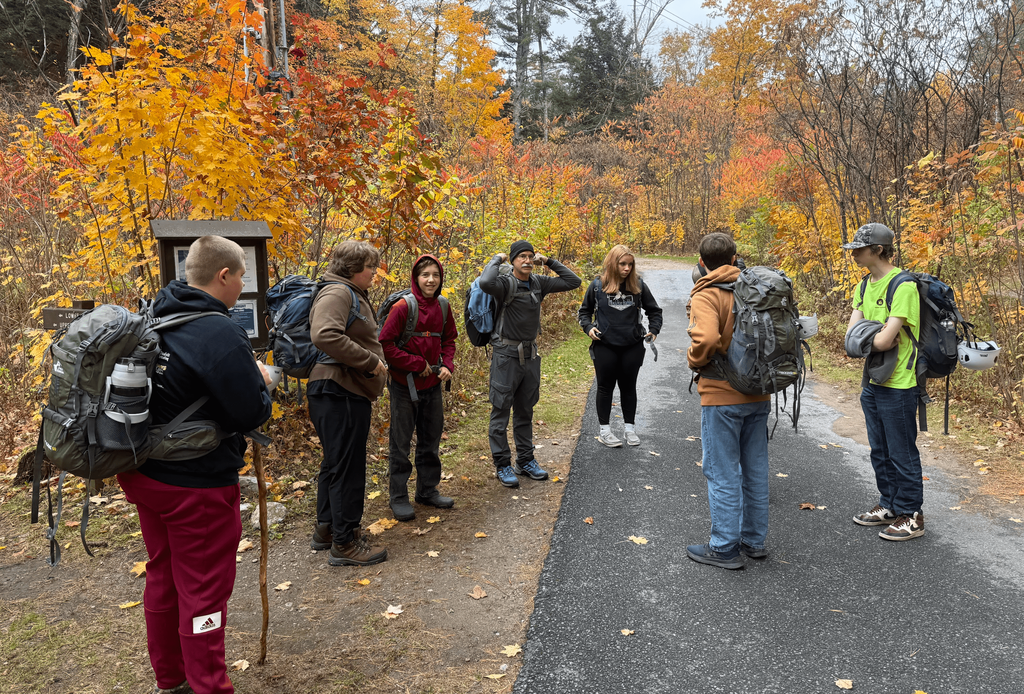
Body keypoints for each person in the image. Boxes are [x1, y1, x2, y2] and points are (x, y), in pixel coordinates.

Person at [117, 235, 273, 694]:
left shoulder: (155, 314)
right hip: (196, 486)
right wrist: (263, 381)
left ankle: (173, 679)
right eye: (242, 275)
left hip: (145, 473)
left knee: (163, 573)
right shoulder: (219, 330)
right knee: (204, 592)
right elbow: (250, 413)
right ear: (223, 276)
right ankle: (209, 686)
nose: (243, 284)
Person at [685, 232, 771, 570]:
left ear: (702, 262)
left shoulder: (708, 293)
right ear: (735, 259)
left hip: (721, 394)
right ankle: (754, 540)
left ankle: (723, 547)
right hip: (758, 392)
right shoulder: (755, 288)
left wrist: (694, 360)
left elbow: (705, 339)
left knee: (721, 472)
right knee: (755, 468)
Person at [307, 240, 390, 565]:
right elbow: (325, 334)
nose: (374, 273)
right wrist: (370, 362)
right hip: (339, 390)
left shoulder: (344, 292)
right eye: (370, 267)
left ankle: (327, 529)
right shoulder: (339, 292)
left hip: (338, 390)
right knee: (348, 467)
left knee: (336, 462)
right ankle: (345, 542)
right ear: (353, 268)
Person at [844, 223, 924, 541]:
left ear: (878, 250)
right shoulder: (863, 286)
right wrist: (873, 336)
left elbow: (884, 340)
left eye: (859, 248)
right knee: (879, 448)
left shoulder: (903, 286)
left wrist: (871, 335)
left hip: (900, 383)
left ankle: (912, 514)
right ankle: (889, 505)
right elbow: (853, 339)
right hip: (874, 380)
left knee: (901, 451)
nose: (854, 253)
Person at [480, 240, 581, 487]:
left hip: (530, 356)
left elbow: (573, 281)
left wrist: (548, 261)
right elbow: (485, 282)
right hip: (505, 357)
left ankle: (525, 461)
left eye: (529, 256)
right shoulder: (504, 284)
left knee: (525, 410)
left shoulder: (538, 282)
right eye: (521, 257)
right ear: (513, 260)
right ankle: (503, 465)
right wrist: (497, 258)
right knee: (501, 411)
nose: (526, 260)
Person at [379, 254, 458, 521]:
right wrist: (415, 363)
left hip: (432, 384)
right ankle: (398, 496)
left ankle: (427, 490)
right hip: (404, 386)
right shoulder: (402, 308)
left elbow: (449, 340)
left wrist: (447, 364)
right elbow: (386, 345)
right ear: (416, 278)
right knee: (400, 443)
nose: (431, 280)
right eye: (425, 275)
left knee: (431, 439)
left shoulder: (444, 307)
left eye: (435, 275)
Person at [578, 244, 663, 447]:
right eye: (622, 264)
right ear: (612, 263)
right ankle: (605, 431)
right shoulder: (597, 286)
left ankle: (629, 429)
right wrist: (589, 327)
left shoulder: (638, 286)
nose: (627, 268)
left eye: (630, 264)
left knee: (628, 388)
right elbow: (584, 312)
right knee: (605, 388)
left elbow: (655, 311)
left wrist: (654, 329)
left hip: (632, 346)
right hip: (605, 346)